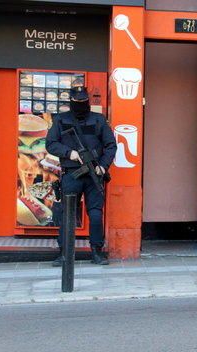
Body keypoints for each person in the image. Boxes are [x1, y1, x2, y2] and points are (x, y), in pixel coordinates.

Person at [46, 86, 117, 266]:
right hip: (72, 174)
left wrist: (102, 166)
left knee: (95, 214)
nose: (80, 105)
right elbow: (51, 144)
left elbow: (110, 146)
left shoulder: (99, 120)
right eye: (77, 102)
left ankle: (96, 252)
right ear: (71, 101)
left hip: (94, 174)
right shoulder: (61, 120)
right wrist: (69, 153)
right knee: (67, 215)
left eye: (83, 101)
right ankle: (65, 253)